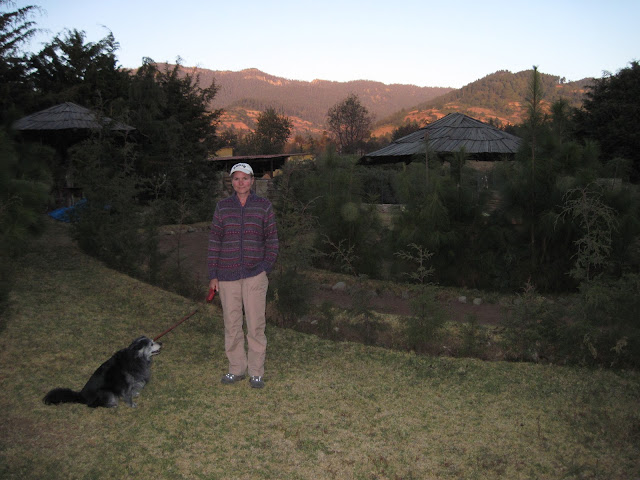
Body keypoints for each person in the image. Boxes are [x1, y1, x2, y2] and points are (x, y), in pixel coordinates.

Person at [208, 163, 278, 389]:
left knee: (256, 325)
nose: (241, 182)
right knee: (232, 324)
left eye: (245, 178)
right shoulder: (222, 207)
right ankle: (236, 368)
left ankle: (256, 372)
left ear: (252, 180)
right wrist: (213, 274)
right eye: (236, 178)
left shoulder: (264, 206)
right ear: (232, 182)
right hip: (226, 276)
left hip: (255, 275)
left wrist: (265, 267)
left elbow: (272, 239)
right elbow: (214, 241)